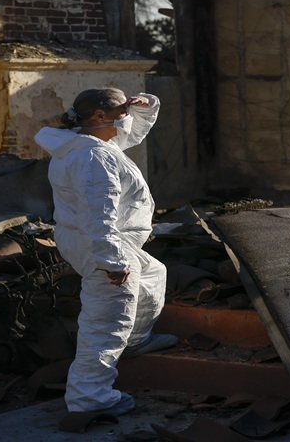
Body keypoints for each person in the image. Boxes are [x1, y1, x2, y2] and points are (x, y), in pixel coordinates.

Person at [34, 88, 177, 415]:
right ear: (100, 116)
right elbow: (98, 216)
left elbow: (133, 132)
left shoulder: (93, 142)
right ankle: (90, 399)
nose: (128, 111)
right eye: (122, 106)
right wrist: (111, 262)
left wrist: (145, 106)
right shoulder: (93, 158)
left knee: (154, 273)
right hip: (103, 242)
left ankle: (136, 338)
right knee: (107, 321)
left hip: (98, 238)